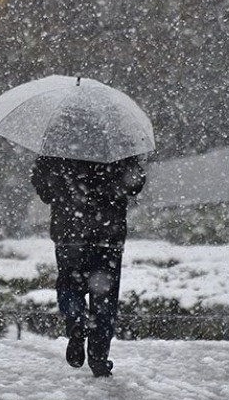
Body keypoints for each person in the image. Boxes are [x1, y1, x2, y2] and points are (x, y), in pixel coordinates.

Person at [32, 155, 146, 377]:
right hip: (108, 235)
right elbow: (134, 185)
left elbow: (44, 190)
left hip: (69, 233)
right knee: (105, 296)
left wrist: (65, 188)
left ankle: (76, 320)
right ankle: (99, 357)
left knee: (69, 284)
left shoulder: (56, 144)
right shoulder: (118, 141)